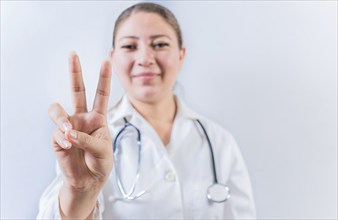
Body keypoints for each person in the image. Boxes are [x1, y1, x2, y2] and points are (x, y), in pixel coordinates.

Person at [37, 2, 256, 219]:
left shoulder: (219, 143)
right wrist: (80, 191)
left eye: (160, 44)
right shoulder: (92, 141)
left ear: (181, 55)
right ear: (113, 58)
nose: (144, 59)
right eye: (130, 46)